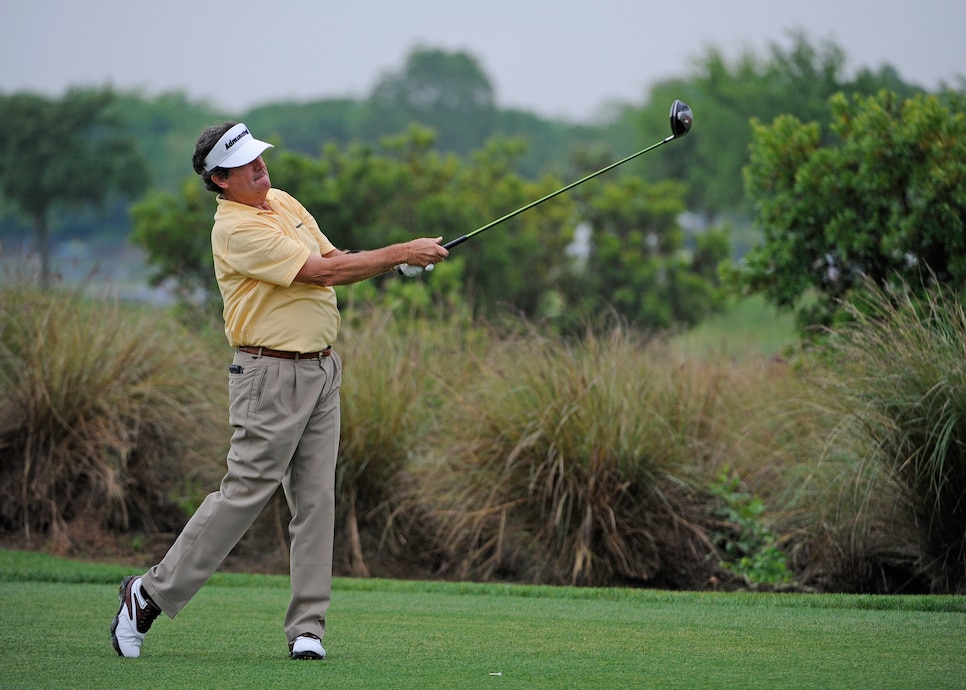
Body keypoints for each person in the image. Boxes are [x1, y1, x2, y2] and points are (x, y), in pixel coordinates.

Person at [110, 122, 447, 660]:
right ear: (220, 179)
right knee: (244, 494)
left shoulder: (282, 201)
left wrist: (397, 259)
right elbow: (316, 273)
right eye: (246, 165)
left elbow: (334, 257)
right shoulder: (235, 229)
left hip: (321, 371)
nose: (260, 168)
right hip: (268, 377)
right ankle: (147, 594)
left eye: (259, 159)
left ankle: (308, 627)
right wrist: (400, 249)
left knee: (315, 500)